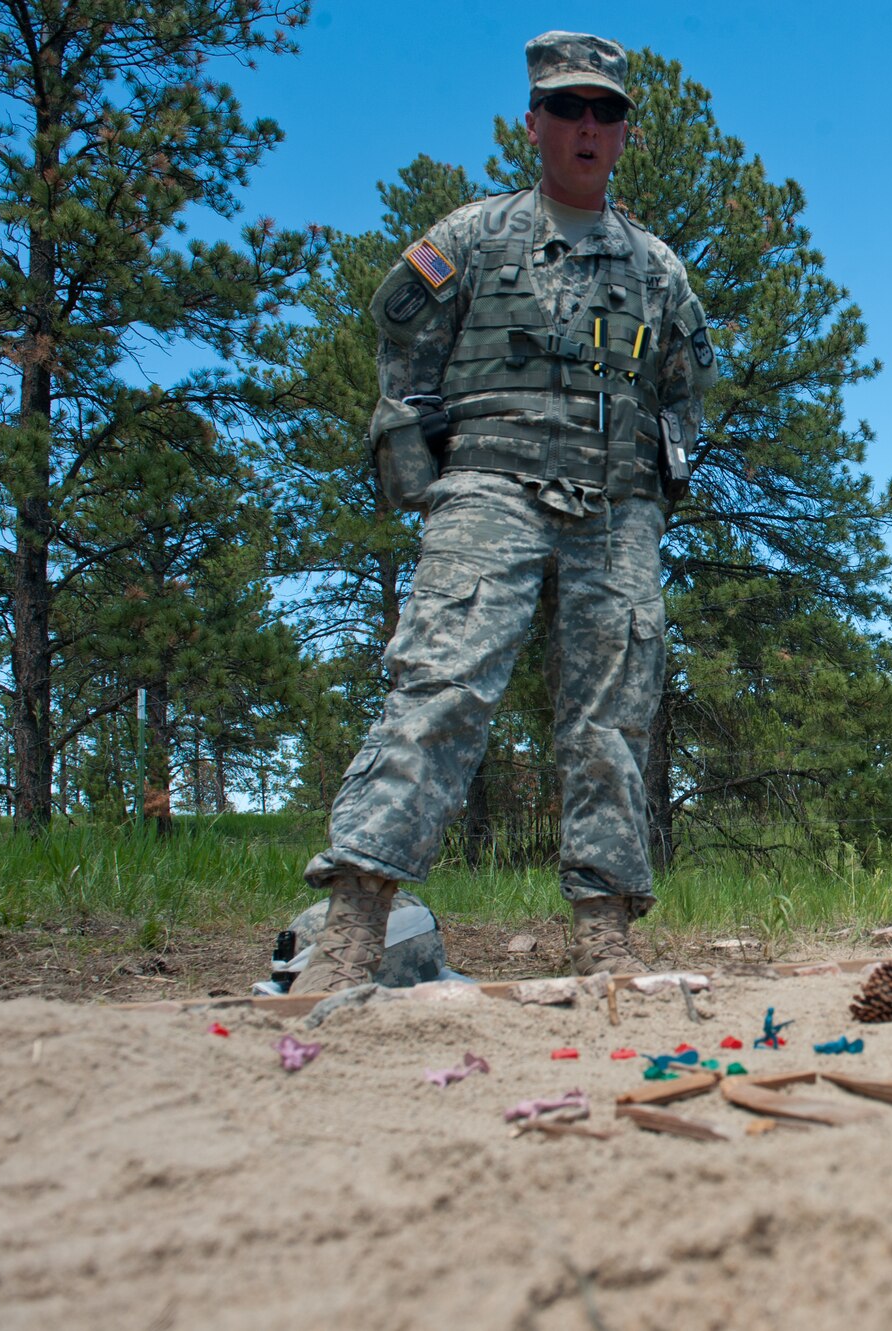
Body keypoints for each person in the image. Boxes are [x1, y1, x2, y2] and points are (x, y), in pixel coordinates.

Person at [293, 32, 717, 994]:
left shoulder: (657, 271)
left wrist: (655, 495)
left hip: (616, 510)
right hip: (490, 490)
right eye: (567, 107)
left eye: (605, 111)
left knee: (612, 720)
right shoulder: (473, 239)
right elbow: (401, 340)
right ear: (533, 122)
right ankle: (354, 929)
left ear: (623, 134)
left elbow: (684, 391)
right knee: (440, 687)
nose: (586, 126)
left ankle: (605, 937)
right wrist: (418, 460)